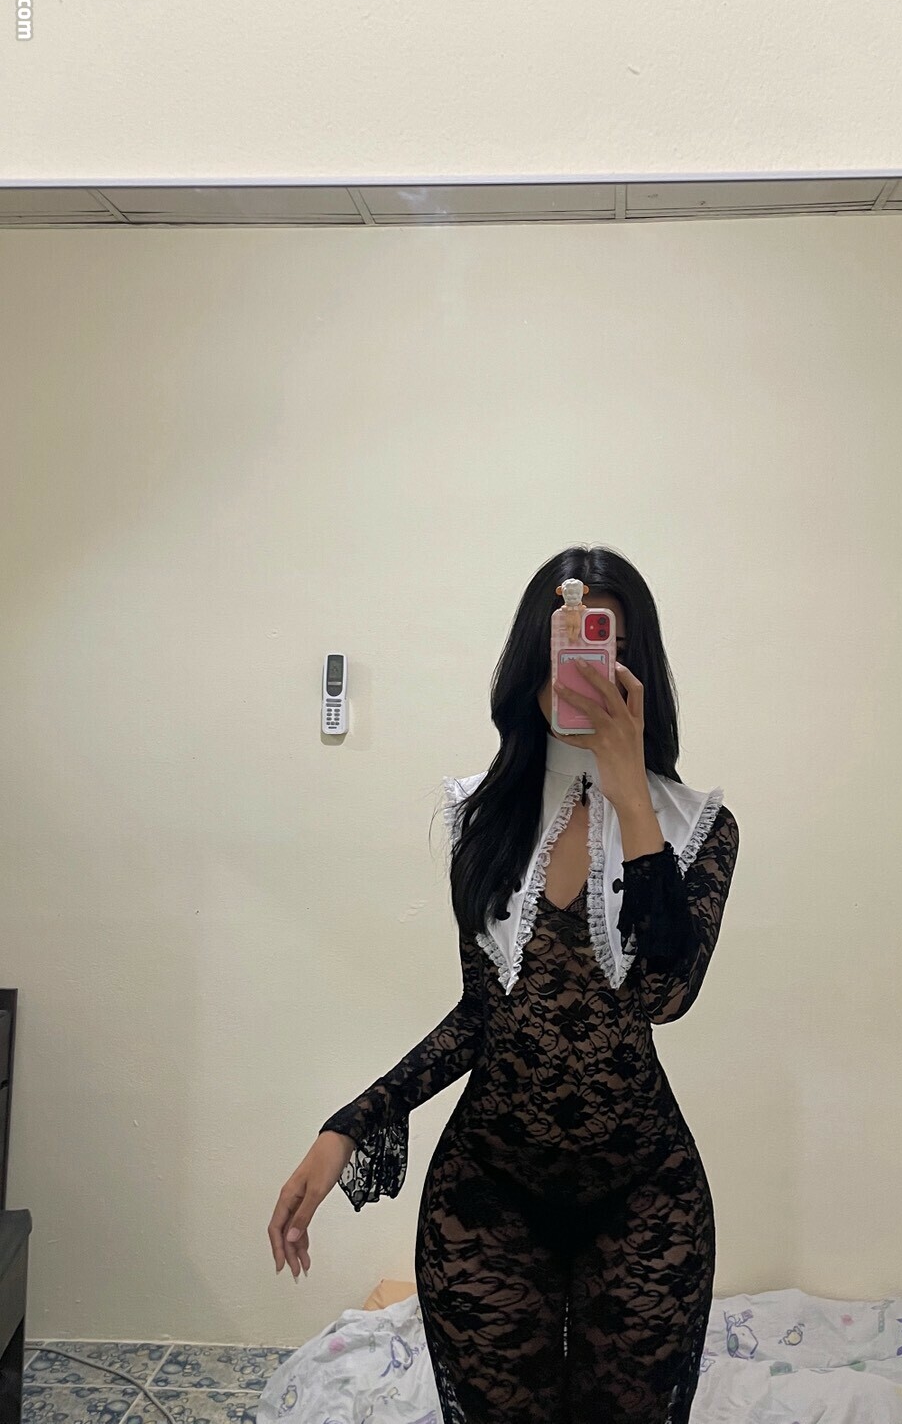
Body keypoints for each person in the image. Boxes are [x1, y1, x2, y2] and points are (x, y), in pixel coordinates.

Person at [268, 546, 740, 1423]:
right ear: (532, 658)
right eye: (566, 646)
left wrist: (632, 798)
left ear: (637, 666)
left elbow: (663, 998)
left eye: (605, 647)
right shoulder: (476, 813)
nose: (582, 671)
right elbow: (483, 1016)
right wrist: (348, 1124)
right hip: (485, 1193)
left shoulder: (697, 826)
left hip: (645, 1198)